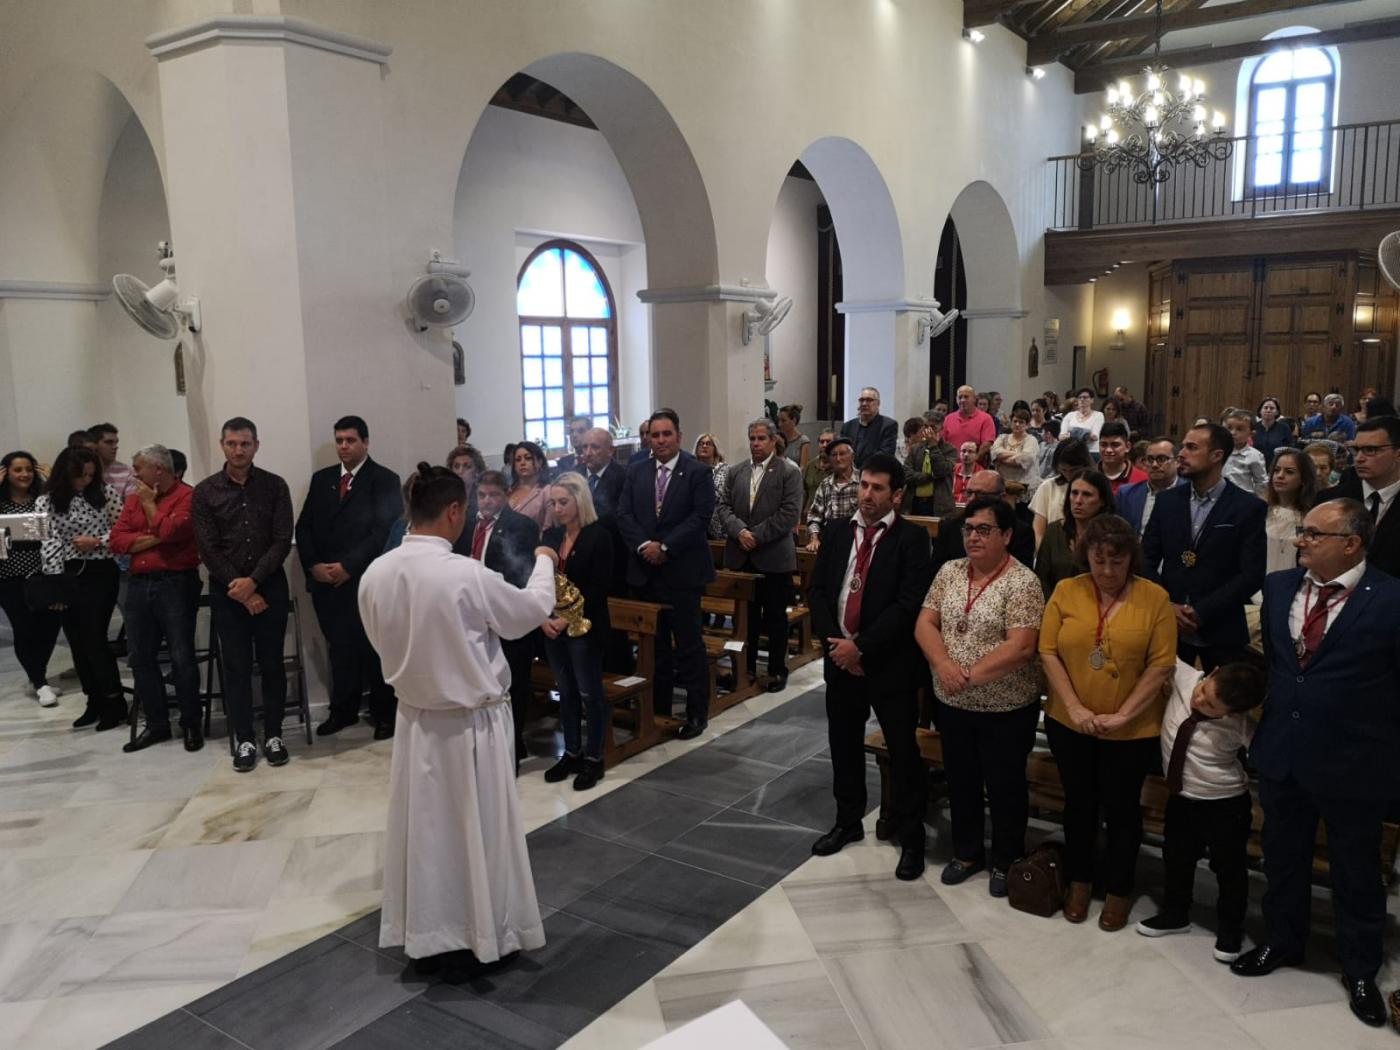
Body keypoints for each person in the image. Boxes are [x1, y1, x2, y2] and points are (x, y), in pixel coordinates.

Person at [358, 462, 556, 980]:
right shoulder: (465, 574)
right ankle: (486, 933)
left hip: (416, 723)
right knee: (478, 831)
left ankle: (430, 937)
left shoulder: (376, 574)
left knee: (428, 836)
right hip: (472, 726)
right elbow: (529, 611)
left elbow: (381, 642)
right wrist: (544, 559)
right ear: (452, 511)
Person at [1232, 500, 1400, 1029]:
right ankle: (1283, 940)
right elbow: (1283, 668)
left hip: (1355, 761)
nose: (1299, 540)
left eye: (1313, 534)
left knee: (1356, 871)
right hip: (1284, 752)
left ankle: (1360, 968)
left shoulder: (1391, 599)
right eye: (1302, 531)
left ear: (1351, 543)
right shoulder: (1281, 587)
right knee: (1283, 858)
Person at [1040, 514, 1176, 930]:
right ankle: (1080, 881)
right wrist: (1075, 708)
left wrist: (1123, 715)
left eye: (1117, 562)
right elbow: (1048, 651)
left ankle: (1119, 889)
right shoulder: (1068, 590)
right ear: (1087, 557)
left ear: (1131, 559)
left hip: (1131, 730)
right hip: (1070, 722)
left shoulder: (1154, 597)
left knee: (1122, 810)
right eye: (1099, 561)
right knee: (1079, 805)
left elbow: (1161, 664)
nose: (1107, 571)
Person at [807, 453, 932, 880]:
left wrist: (860, 648)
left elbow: (908, 604)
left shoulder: (911, 539)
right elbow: (819, 591)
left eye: (877, 488)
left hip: (889, 664)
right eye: (863, 485)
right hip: (840, 660)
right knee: (843, 744)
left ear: (896, 495)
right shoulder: (838, 531)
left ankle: (911, 836)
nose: (867, 494)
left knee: (902, 750)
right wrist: (837, 646)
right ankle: (847, 820)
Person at [915, 496, 1043, 896]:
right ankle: (967, 852)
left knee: (1005, 786)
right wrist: (944, 666)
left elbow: (1021, 646)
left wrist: (967, 676)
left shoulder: (1022, 581)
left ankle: (1006, 859)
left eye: (984, 529)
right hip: (953, 702)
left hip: (1005, 707)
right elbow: (925, 623)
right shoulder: (950, 571)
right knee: (961, 780)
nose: (973, 536)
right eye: (968, 529)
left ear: (1006, 535)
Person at [1135, 660, 1263, 965]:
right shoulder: (1186, 678)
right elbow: (1163, 653)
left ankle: (1230, 929)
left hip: (1225, 804)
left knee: (1229, 869)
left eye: (1211, 706)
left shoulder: (1240, 725)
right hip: (1181, 798)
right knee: (1176, 858)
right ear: (1212, 673)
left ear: (1230, 713)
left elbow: (1265, 752)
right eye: (1205, 691)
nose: (1199, 700)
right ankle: (1175, 913)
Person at [192, 418, 295, 772]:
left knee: (271, 664)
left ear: (256, 446)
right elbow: (207, 548)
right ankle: (245, 738)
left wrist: (253, 581)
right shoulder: (205, 491)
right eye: (232, 443)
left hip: (270, 588)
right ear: (222, 444)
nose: (239, 450)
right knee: (235, 667)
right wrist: (242, 587)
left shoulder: (275, 485)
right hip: (228, 593)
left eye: (245, 444)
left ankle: (274, 734)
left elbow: (282, 539)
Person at [294, 415, 402, 738]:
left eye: (350, 440)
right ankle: (343, 710)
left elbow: (384, 530)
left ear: (365, 442)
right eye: (339, 440)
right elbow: (304, 526)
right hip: (326, 582)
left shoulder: (384, 479)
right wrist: (314, 565)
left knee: (374, 648)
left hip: (364, 579)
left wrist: (348, 566)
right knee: (339, 648)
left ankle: (384, 714)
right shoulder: (322, 479)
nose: (344, 446)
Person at [617, 409, 716, 738]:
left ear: (679, 436)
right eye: (655, 435)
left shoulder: (697, 472)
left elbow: (700, 517)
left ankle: (696, 713)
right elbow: (624, 514)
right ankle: (658, 710)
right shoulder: (637, 471)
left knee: (688, 647)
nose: (659, 440)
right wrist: (645, 545)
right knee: (654, 648)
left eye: (666, 434)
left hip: (683, 573)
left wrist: (666, 547)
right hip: (646, 572)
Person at [1144, 423, 1266, 671]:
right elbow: (1144, 559)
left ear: (1216, 455)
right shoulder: (1167, 501)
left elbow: (1251, 574)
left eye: (1191, 448)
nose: (1181, 454)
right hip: (1168, 621)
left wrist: (1201, 611)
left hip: (1221, 625)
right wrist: (1168, 605)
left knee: (1222, 695)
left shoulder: (1247, 507)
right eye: (1182, 447)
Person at [110, 445, 203, 753]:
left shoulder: (187, 496)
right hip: (138, 583)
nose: (134, 474)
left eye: (139, 468)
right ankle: (157, 724)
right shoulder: (133, 499)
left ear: (158, 470)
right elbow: (117, 541)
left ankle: (191, 723)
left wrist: (151, 508)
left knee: (181, 656)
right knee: (140, 657)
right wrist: (155, 537)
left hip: (175, 583)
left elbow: (174, 531)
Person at [36, 447, 125, 731]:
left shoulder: (105, 493)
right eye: (80, 475)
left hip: (101, 571)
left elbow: (122, 530)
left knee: (94, 637)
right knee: (76, 639)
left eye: (90, 475)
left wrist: (98, 541)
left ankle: (114, 700)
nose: (85, 480)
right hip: (66, 574)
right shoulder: (46, 501)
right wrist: (54, 585)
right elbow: (47, 542)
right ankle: (93, 699)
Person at [717, 418, 804, 693]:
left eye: (761, 438)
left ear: (773, 440)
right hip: (741, 555)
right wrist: (740, 531)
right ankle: (747, 668)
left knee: (775, 617)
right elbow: (723, 506)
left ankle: (777, 669)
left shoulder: (788, 471)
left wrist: (755, 535)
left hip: (773, 555)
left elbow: (789, 513)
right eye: (752, 439)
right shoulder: (736, 471)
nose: (755, 444)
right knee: (746, 618)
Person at [539, 473, 613, 790]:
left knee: (589, 693)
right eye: (553, 503)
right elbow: (539, 580)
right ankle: (571, 752)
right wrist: (544, 616)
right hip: (553, 627)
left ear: (579, 500)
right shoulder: (552, 536)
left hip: (585, 627)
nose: (557, 509)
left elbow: (599, 587)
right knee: (565, 691)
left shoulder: (599, 536)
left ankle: (594, 758)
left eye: (563, 502)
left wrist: (566, 618)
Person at [465, 470, 542, 768]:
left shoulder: (521, 525)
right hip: (473, 617)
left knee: (513, 683)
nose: (487, 501)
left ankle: (513, 745)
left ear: (506, 495)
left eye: (494, 495)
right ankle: (485, 745)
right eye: (482, 495)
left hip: (505, 613)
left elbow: (520, 573)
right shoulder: (467, 525)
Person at [0, 450, 63, 706]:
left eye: (28, 469)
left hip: (44, 574)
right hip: (8, 576)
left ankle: (37, 676)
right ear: (6, 473)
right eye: (17, 470)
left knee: (50, 625)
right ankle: (40, 682)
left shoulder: (42, 499)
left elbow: (59, 523)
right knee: (24, 629)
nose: (24, 474)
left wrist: (53, 482)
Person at [1315, 416, 1400, 578]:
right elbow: (1310, 555)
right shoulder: (1329, 500)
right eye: (1356, 449)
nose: (1359, 458)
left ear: (1398, 454)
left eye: (1371, 450)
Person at [931, 471, 1034, 576]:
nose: (972, 499)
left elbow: (1021, 575)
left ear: (1001, 497)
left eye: (981, 494)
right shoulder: (949, 528)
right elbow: (935, 574)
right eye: (969, 493)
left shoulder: (1020, 532)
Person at [1035, 470, 1115, 599]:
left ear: (1102, 501)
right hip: (1055, 605)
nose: (1078, 500)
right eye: (1074, 493)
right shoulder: (1054, 531)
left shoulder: (1113, 536)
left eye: (1087, 495)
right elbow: (1041, 578)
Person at [1030, 436, 1093, 550]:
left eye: (1074, 470)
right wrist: (1043, 555)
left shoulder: (1094, 487)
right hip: (1052, 551)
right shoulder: (1048, 487)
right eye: (1063, 470)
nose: (1068, 475)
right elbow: (1038, 531)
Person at [1263, 448, 1316, 576]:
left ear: (1303, 479)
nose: (1280, 475)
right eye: (1276, 470)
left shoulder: (1312, 517)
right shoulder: (1259, 510)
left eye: (1289, 472)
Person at [1117, 437, 1183, 537]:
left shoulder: (1190, 493)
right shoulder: (1127, 494)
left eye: (1162, 459)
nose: (1154, 465)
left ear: (1177, 461)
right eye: (1150, 459)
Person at [805, 438, 859, 551]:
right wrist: (814, 538)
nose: (838, 458)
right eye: (834, 455)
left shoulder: (863, 482)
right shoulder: (825, 485)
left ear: (852, 456)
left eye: (842, 454)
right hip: (830, 541)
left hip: (856, 542)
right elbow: (814, 517)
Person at [904, 412, 956, 517]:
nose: (928, 431)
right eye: (926, 426)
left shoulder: (950, 450)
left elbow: (941, 471)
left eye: (933, 427)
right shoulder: (915, 449)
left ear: (941, 429)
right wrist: (929, 476)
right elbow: (906, 475)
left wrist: (933, 447)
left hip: (938, 505)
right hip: (914, 503)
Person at [840, 386, 898, 468]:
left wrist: (863, 470)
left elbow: (885, 454)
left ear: (878, 403)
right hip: (850, 472)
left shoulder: (888, 425)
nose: (864, 404)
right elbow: (842, 451)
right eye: (861, 400)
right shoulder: (848, 426)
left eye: (869, 400)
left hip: (875, 470)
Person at [989, 409, 1041, 500]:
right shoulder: (1002, 437)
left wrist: (1002, 459)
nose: (1017, 424)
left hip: (1024, 489)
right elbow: (995, 453)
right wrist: (1017, 454)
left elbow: (1025, 459)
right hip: (1003, 487)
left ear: (1027, 425)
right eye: (1015, 421)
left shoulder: (1031, 441)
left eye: (1021, 422)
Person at [1221, 408, 1268, 498]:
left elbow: (1261, 482)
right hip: (1221, 497)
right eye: (1229, 428)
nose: (1233, 433)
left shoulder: (1255, 455)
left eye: (1239, 429)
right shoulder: (1220, 451)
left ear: (1251, 434)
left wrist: (1260, 501)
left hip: (1244, 498)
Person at [943, 385, 996, 463]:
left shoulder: (986, 418)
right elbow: (942, 443)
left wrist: (973, 460)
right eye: (960, 397)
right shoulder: (948, 419)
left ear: (974, 399)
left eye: (966, 397)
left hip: (974, 466)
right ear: (956, 399)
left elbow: (987, 443)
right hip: (950, 465)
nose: (962, 400)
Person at [506, 440, 550, 528]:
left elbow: (548, 528)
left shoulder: (547, 491)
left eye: (528, 458)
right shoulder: (509, 491)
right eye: (518, 460)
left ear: (540, 462)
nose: (522, 463)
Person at [694, 433, 729, 540]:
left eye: (708, 444)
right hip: (695, 528)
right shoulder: (690, 470)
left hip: (718, 527)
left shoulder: (725, 471)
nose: (704, 446)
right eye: (701, 444)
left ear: (715, 449)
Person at [1096, 421, 1146, 497]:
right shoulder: (1087, 477)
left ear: (1127, 447)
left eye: (1115, 445)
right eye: (1103, 445)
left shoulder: (1143, 480)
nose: (1108, 450)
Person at [88, 422, 134, 500]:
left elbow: (130, 504)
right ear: (94, 445)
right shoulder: (84, 470)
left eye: (116, 442)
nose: (115, 447)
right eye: (109, 442)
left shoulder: (126, 471)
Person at [803, 429, 836, 516]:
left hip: (831, 514)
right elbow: (804, 491)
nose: (824, 445)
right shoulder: (810, 465)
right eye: (822, 442)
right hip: (811, 514)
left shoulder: (839, 466)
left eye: (828, 442)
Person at [1253, 396, 1292, 468]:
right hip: (1255, 465)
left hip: (1276, 466)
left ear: (1277, 412)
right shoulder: (1253, 427)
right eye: (1265, 408)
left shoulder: (1284, 428)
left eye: (1272, 408)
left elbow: (1289, 449)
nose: (1268, 410)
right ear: (1260, 411)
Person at [1064, 388, 1106, 456]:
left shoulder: (1098, 415)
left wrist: (1073, 431)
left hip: (1091, 451)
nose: (1082, 400)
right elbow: (1064, 437)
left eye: (1085, 398)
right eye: (1080, 398)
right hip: (1073, 451)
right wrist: (1085, 433)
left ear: (1092, 400)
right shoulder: (1069, 417)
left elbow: (1094, 437)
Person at [952, 440, 985, 507]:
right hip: (950, 507)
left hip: (972, 508)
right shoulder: (952, 469)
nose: (966, 454)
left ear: (977, 455)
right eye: (963, 451)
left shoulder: (982, 474)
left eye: (970, 452)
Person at [778, 404, 811, 469]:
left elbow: (803, 468)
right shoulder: (778, 439)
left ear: (794, 420)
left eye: (783, 421)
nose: (779, 424)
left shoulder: (803, 441)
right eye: (779, 420)